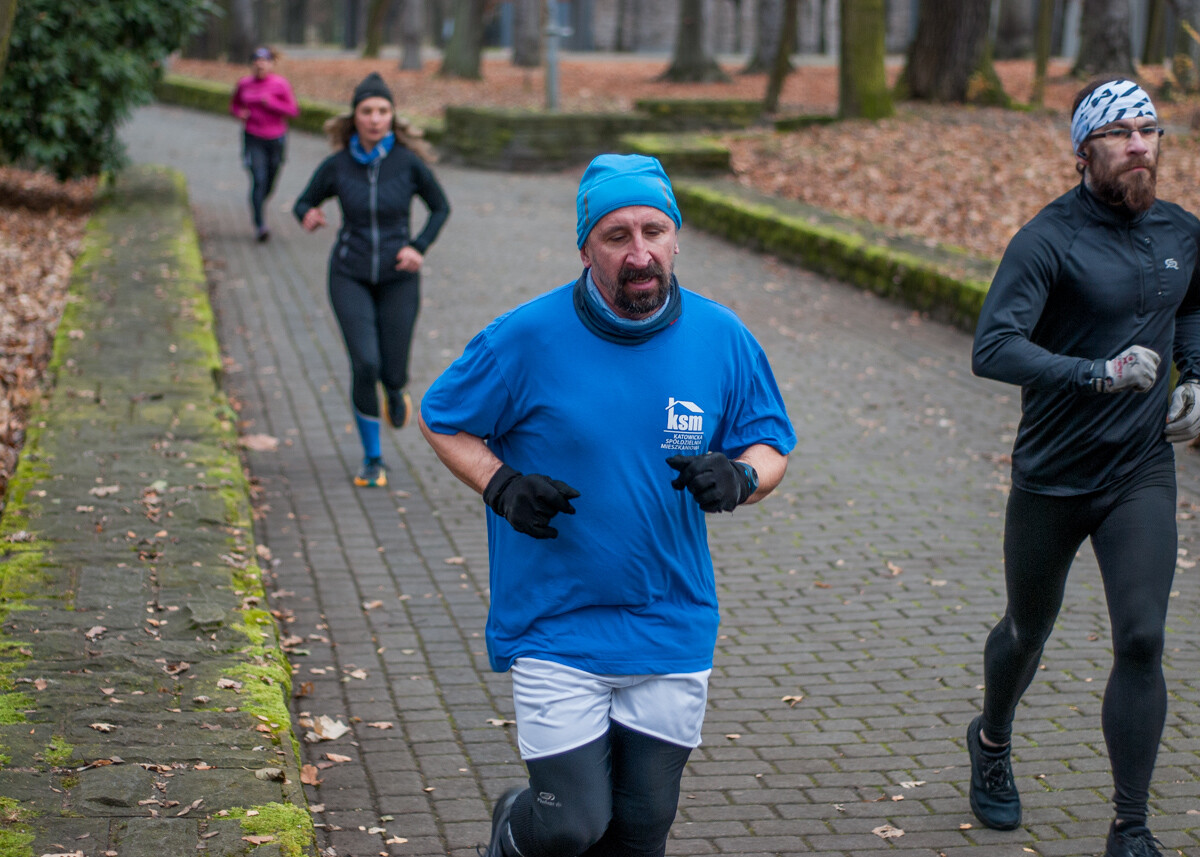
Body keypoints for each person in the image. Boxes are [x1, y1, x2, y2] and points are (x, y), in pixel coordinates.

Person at [419, 153, 796, 857]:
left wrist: (742, 477)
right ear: (585, 246)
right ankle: (511, 828)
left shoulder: (722, 338)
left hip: (670, 617)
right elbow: (442, 415)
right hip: (555, 620)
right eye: (617, 235)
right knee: (569, 825)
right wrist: (501, 483)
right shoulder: (524, 337)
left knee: (639, 830)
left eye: (654, 230)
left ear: (677, 237)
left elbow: (772, 441)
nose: (639, 251)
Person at [969, 78, 1200, 857]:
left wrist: (1194, 373)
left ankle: (1130, 828)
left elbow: (1192, 299)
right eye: (1121, 132)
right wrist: (1096, 372)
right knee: (1028, 630)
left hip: (1140, 470)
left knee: (1141, 638)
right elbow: (992, 347)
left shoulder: (1181, 230)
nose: (1140, 144)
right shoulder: (1047, 240)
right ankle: (993, 740)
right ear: (1084, 150)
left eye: (1151, 130)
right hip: (1052, 476)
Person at [294, 72, 450, 488]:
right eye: (367, 111)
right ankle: (373, 457)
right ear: (355, 116)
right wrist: (307, 214)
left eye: (383, 110)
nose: (375, 118)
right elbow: (303, 200)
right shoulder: (337, 165)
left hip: (400, 276)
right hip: (349, 273)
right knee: (365, 363)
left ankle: (396, 390)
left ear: (392, 115)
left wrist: (418, 246)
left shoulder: (408, 163)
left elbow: (440, 207)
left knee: (392, 369)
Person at [229, 46, 299, 242]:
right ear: (252, 63)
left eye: (264, 60)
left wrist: (272, 103)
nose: (260, 64)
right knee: (258, 179)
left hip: (276, 138)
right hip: (253, 137)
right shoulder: (244, 84)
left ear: (270, 63)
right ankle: (260, 225)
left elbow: (293, 111)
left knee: (269, 181)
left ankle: (260, 201)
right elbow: (234, 105)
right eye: (256, 60)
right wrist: (239, 113)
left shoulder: (280, 84)